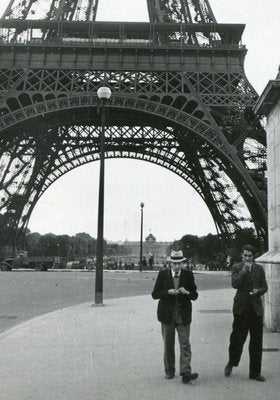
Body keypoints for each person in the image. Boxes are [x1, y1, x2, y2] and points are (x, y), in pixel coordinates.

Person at [151, 250, 199, 384]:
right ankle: (169, 371)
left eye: (179, 263)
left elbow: (195, 295)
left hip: (183, 315)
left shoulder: (188, 275)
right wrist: (167, 292)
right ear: (170, 263)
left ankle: (185, 373)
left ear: (182, 263)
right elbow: (155, 294)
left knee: (185, 344)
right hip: (167, 315)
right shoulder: (162, 274)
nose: (177, 266)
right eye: (174, 264)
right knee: (168, 344)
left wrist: (187, 292)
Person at [224, 244, 268, 382]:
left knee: (256, 342)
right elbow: (235, 284)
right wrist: (244, 270)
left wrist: (258, 291)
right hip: (241, 308)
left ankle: (255, 372)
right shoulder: (237, 267)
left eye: (250, 256)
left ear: (253, 257)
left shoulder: (259, 269)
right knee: (237, 340)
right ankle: (232, 362)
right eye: (245, 256)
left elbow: (264, 287)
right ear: (241, 255)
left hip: (255, 309)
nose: (247, 258)